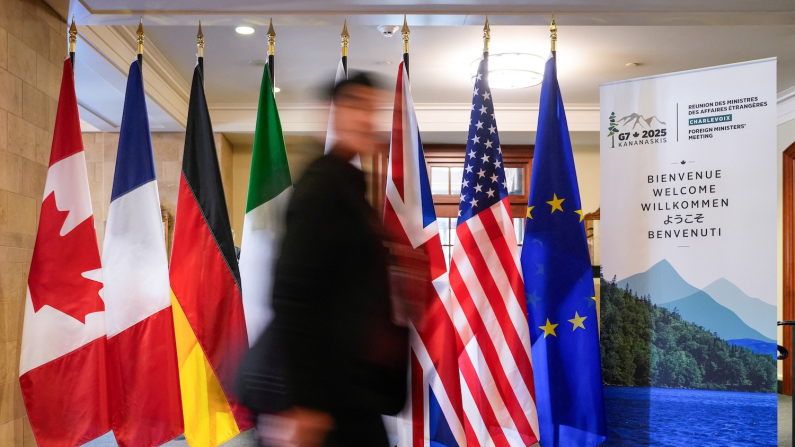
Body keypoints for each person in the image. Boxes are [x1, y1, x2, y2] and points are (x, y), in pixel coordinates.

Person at [263, 73, 409, 447]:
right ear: (329, 113)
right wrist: (306, 404)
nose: (365, 119)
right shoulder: (323, 185)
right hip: (325, 399)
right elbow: (292, 295)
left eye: (371, 109)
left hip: (352, 391)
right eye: (355, 106)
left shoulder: (350, 184)